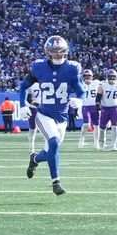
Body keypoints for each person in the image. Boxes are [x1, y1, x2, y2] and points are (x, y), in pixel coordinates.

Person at [17, 35, 85, 195]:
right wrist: (22, 105)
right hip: (44, 114)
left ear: (66, 51)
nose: (58, 54)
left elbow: (81, 91)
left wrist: (80, 101)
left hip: (62, 118)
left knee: (50, 152)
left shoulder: (72, 69)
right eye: (55, 52)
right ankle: (56, 183)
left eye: (61, 51)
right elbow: (23, 87)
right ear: (49, 52)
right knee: (53, 143)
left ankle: (34, 159)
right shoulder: (39, 67)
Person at [98, 68, 117, 152]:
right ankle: (101, 143)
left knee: (115, 126)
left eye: (113, 77)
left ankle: (113, 145)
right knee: (102, 127)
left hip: (114, 108)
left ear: (116, 77)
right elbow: (98, 96)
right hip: (105, 108)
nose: (112, 79)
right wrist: (97, 105)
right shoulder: (102, 84)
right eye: (110, 77)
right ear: (107, 77)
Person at [78, 69, 99, 149]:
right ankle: (81, 138)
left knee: (96, 125)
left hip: (95, 106)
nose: (87, 77)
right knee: (87, 124)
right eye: (85, 76)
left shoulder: (96, 83)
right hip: (85, 106)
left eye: (89, 76)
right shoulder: (81, 84)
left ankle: (96, 142)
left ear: (92, 76)